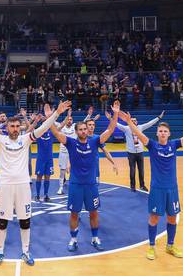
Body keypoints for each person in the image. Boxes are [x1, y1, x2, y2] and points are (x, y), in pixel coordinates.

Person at [0, 97, 71, 267]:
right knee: (2, 221)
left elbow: (43, 128)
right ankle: (0, 252)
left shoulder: (26, 138)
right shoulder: (0, 139)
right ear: (7, 128)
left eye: (16, 126)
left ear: (19, 128)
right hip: (5, 186)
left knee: (25, 221)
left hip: (23, 186)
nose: (14, 129)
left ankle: (25, 251)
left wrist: (57, 113)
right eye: (11, 126)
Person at [118, 110, 183, 260]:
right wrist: (129, 122)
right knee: (154, 218)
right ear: (157, 134)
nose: (163, 133)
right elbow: (139, 135)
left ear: (169, 134)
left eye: (165, 131)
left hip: (172, 189)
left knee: (172, 218)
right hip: (157, 189)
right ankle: (152, 247)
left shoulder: (174, 145)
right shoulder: (152, 145)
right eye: (160, 131)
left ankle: (170, 246)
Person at [48, 101, 119, 253]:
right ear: (76, 131)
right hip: (75, 185)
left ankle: (95, 238)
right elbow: (55, 132)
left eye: (85, 129)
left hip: (91, 185)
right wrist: (51, 116)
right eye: (80, 129)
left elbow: (111, 129)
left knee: (93, 212)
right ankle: (73, 239)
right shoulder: (71, 143)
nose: (83, 131)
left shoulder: (94, 141)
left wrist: (116, 113)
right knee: (74, 213)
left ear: (88, 130)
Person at [116, 111, 165, 192]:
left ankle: (142, 186)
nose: (134, 121)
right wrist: (111, 118)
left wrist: (159, 118)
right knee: (132, 170)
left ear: (137, 122)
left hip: (140, 153)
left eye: (135, 120)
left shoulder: (140, 127)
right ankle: (132, 186)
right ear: (129, 121)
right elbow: (117, 124)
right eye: (132, 120)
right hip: (131, 153)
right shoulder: (126, 128)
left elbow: (150, 123)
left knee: (141, 170)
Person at [35, 117, 53, 202]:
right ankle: (37, 195)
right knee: (39, 177)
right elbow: (29, 127)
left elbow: (60, 127)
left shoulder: (51, 133)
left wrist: (67, 117)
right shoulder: (38, 134)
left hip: (49, 159)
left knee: (47, 177)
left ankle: (46, 194)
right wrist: (34, 121)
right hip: (40, 159)